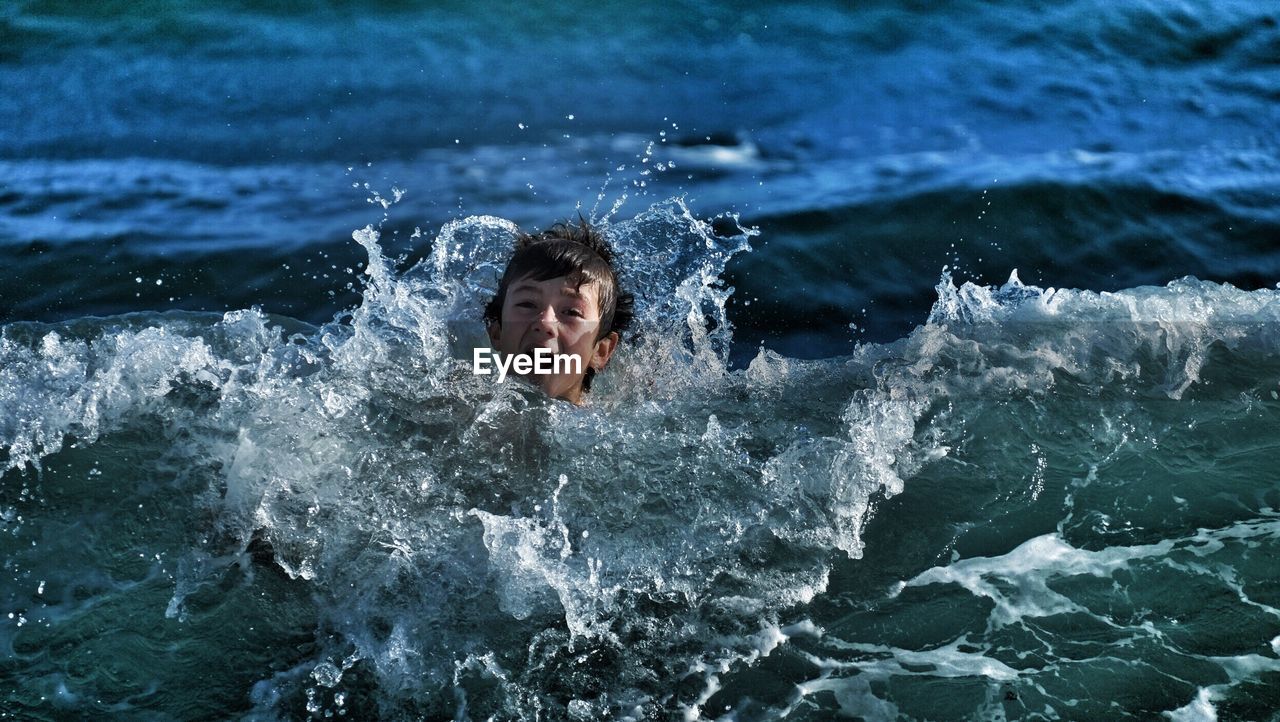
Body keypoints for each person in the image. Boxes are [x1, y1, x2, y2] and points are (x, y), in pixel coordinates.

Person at [480, 218, 634, 405]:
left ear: (601, 351)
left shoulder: (617, 428)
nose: (545, 322)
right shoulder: (463, 407)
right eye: (527, 304)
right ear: (497, 333)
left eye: (571, 312)